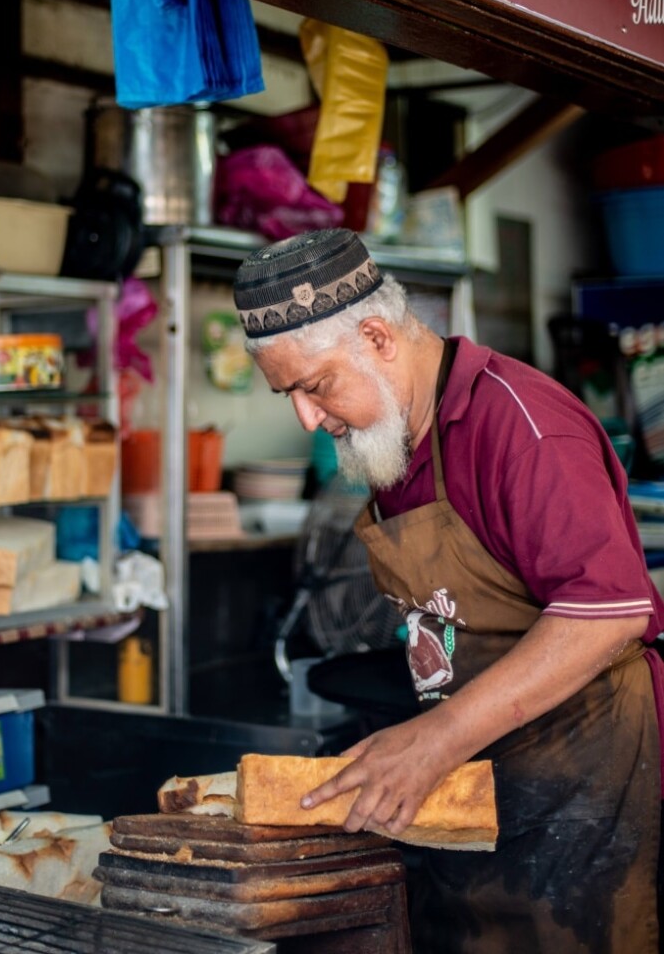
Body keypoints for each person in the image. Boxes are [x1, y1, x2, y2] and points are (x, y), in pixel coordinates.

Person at [233, 226, 664, 954]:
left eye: (314, 386)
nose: (307, 418)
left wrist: (438, 737)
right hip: (475, 785)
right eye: (289, 395)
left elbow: (605, 614)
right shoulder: (392, 441)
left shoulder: (521, 425)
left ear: (376, 337)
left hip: (587, 790)